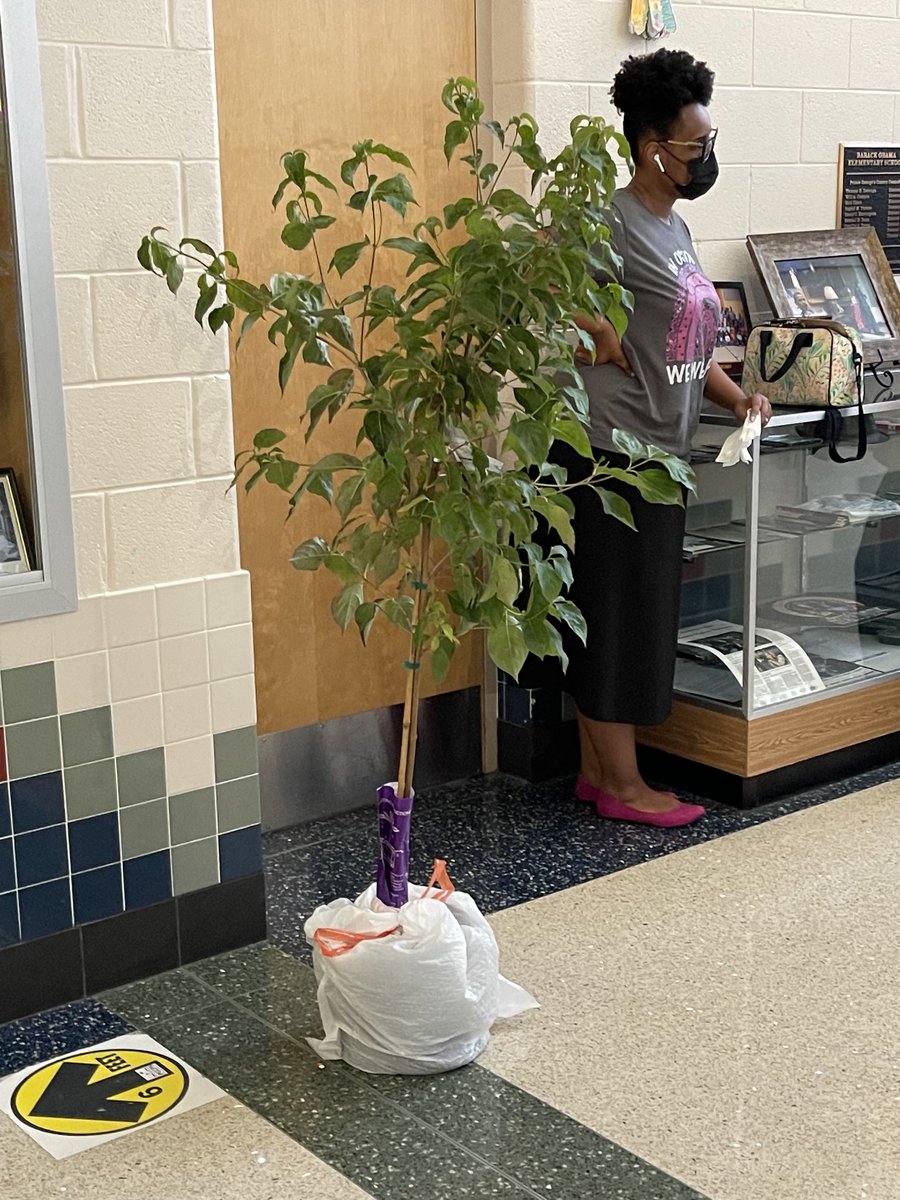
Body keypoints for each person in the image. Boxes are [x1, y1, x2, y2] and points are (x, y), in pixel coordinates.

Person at [558, 48, 771, 828]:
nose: (706, 155)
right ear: (655, 147)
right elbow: (539, 292)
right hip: (609, 458)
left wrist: (736, 395)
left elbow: (685, 344)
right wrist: (592, 333)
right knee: (617, 622)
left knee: (624, 617)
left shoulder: (672, 227)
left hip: (660, 460)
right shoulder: (606, 221)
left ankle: (593, 772)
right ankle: (623, 785)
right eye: (697, 143)